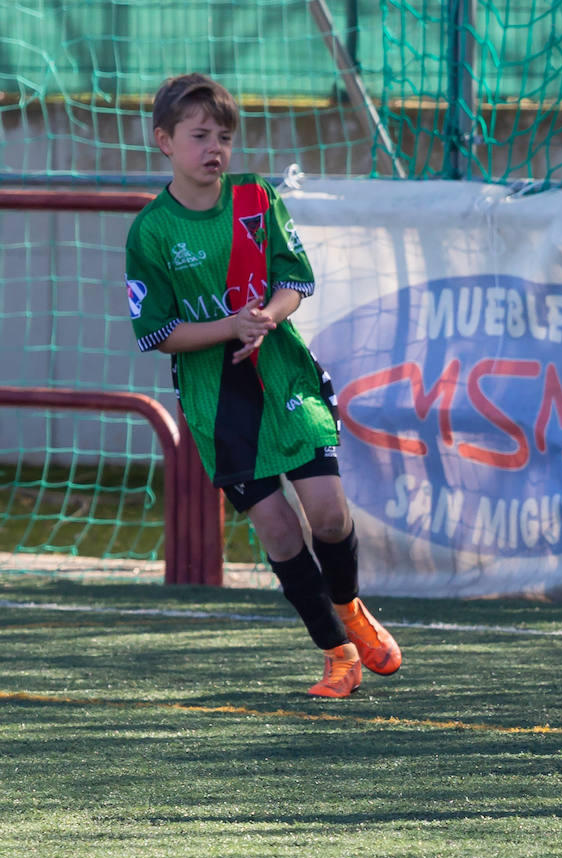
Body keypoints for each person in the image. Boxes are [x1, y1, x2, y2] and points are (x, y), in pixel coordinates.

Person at [124, 73, 402, 698]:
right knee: (277, 528)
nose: (214, 147)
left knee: (328, 514)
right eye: (199, 136)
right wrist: (228, 326)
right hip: (219, 397)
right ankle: (337, 654)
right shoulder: (150, 232)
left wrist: (267, 318)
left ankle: (351, 607)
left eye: (223, 135)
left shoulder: (254, 197)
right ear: (164, 141)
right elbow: (158, 333)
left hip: (280, 373)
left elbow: (295, 278)